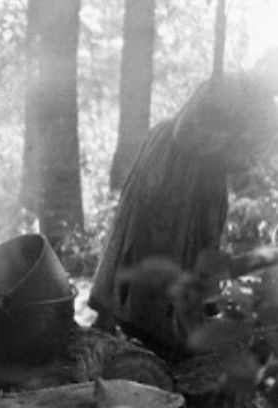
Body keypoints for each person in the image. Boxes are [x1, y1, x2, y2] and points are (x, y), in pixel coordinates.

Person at [89, 48, 278, 358]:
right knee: (147, 240)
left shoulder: (268, 112)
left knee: (193, 252)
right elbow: (186, 133)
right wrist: (226, 140)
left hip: (205, 180)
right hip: (171, 166)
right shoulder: (225, 84)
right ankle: (119, 318)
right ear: (262, 65)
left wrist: (237, 151)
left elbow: (253, 156)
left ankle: (171, 332)